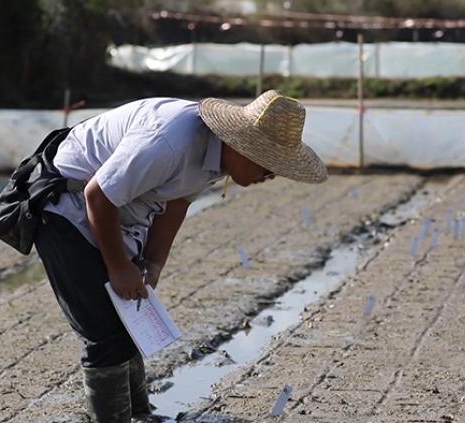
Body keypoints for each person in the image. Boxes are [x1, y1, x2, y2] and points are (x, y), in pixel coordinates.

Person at [34, 90, 327, 422]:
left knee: (127, 319)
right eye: (269, 163)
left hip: (120, 211)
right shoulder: (171, 141)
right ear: (241, 145)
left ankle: (140, 415)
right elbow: (97, 196)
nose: (271, 174)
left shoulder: (216, 156)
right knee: (102, 330)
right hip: (66, 206)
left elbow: (177, 203)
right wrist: (118, 267)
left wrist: (152, 263)